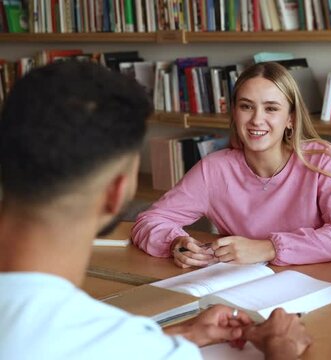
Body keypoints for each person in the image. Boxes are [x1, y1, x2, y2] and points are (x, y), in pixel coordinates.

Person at [0, 61, 311, 360]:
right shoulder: (96, 334)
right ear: (116, 192)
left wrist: (185, 334)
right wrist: (281, 346)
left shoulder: (86, 338)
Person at [132, 62, 331, 268]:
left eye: (271, 108)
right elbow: (149, 221)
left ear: (291, 118)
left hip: (317, 285)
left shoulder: (322, 159)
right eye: (246, 106)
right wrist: (175, 243)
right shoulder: (215, 169)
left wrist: (268, 248)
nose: (256, 120)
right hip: (243, 286)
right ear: (234, 112)